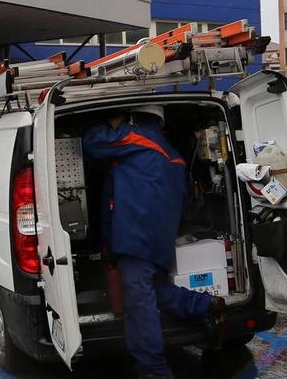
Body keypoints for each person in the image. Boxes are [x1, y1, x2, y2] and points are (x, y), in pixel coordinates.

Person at [81, 105, 225, 379]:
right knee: (153, 289)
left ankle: (153, 368)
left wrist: (113, 122)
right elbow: (183, 203)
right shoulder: (175, 156)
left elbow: (92, 143)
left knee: (139, 301)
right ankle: (205, 306)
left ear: (135, 117)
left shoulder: (136, 138)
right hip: (157, 240)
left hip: (134, 237)